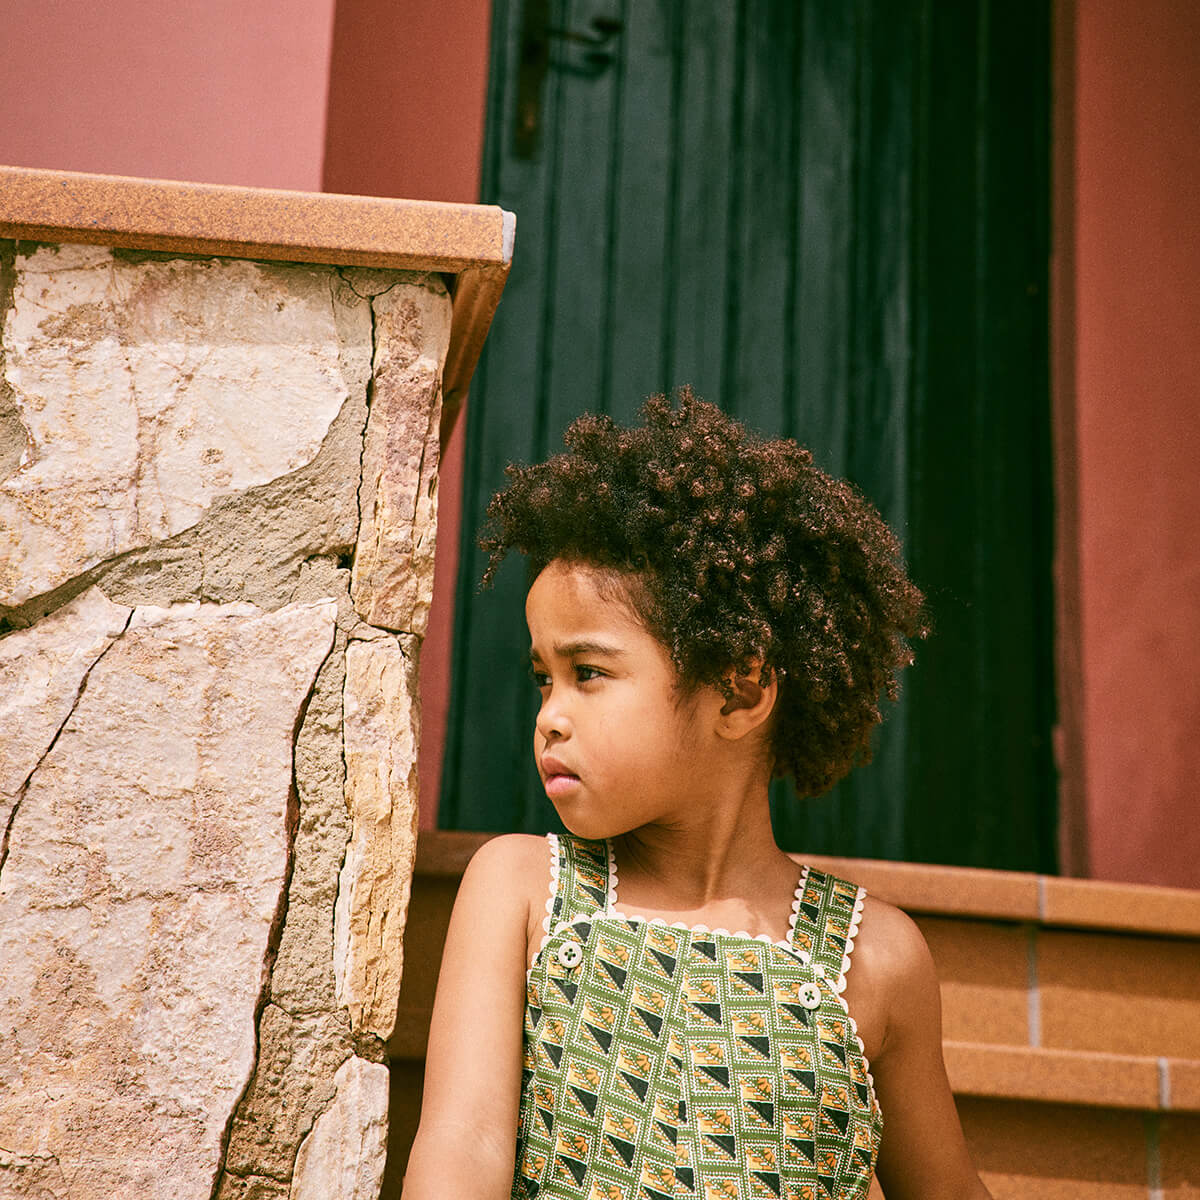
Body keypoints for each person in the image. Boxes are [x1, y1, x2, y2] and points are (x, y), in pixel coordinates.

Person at [403, 390, 992, 1200]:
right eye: (544, 679)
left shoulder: (875, 958)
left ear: (740, 691)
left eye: (588, 673)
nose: (550, 717)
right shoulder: (523, 890)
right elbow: (462, 1145)